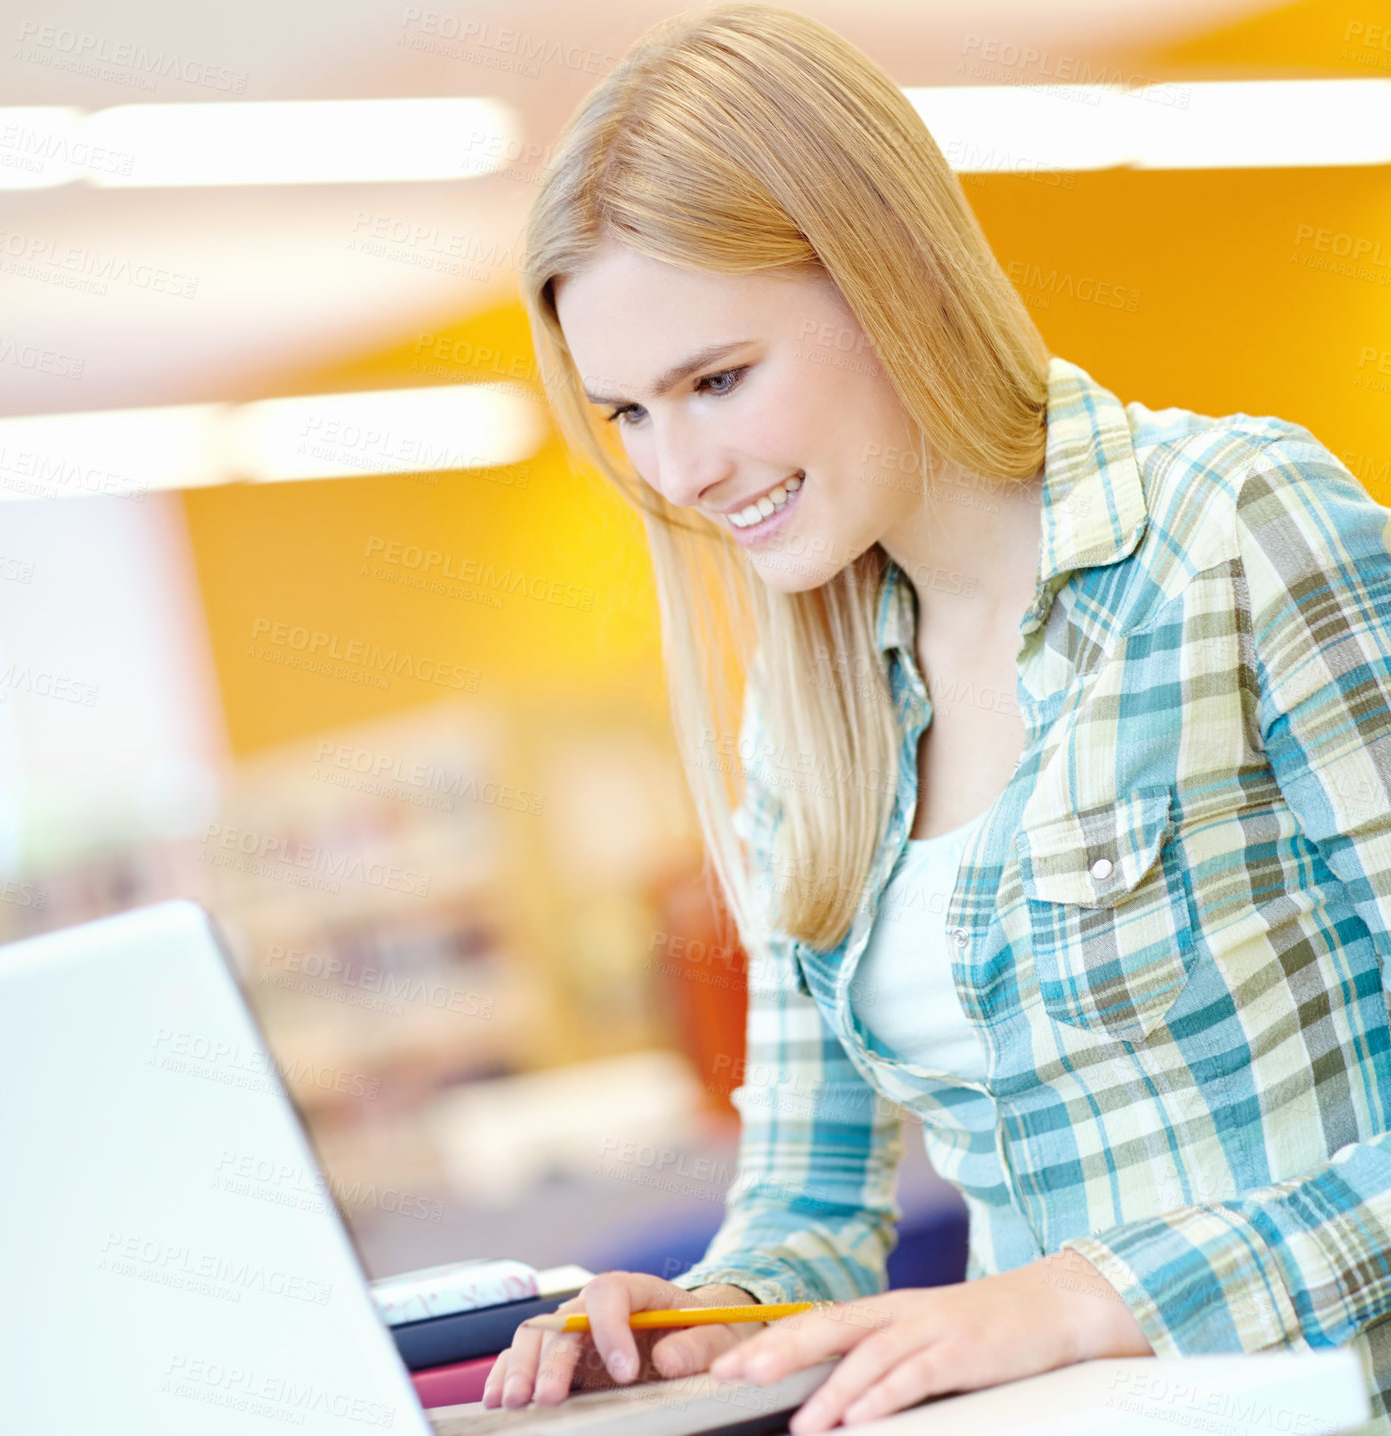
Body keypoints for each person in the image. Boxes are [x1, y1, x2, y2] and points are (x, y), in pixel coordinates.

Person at [485, 3, 1391, 1430]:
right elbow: (804, 1202)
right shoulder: (808, 712)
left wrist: (1093, 1296)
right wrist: (710, 1319)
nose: (685, 470)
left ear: (887, 277)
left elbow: (1055, 1307)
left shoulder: (1232, 531)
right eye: (631, 415)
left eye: (719, 380)